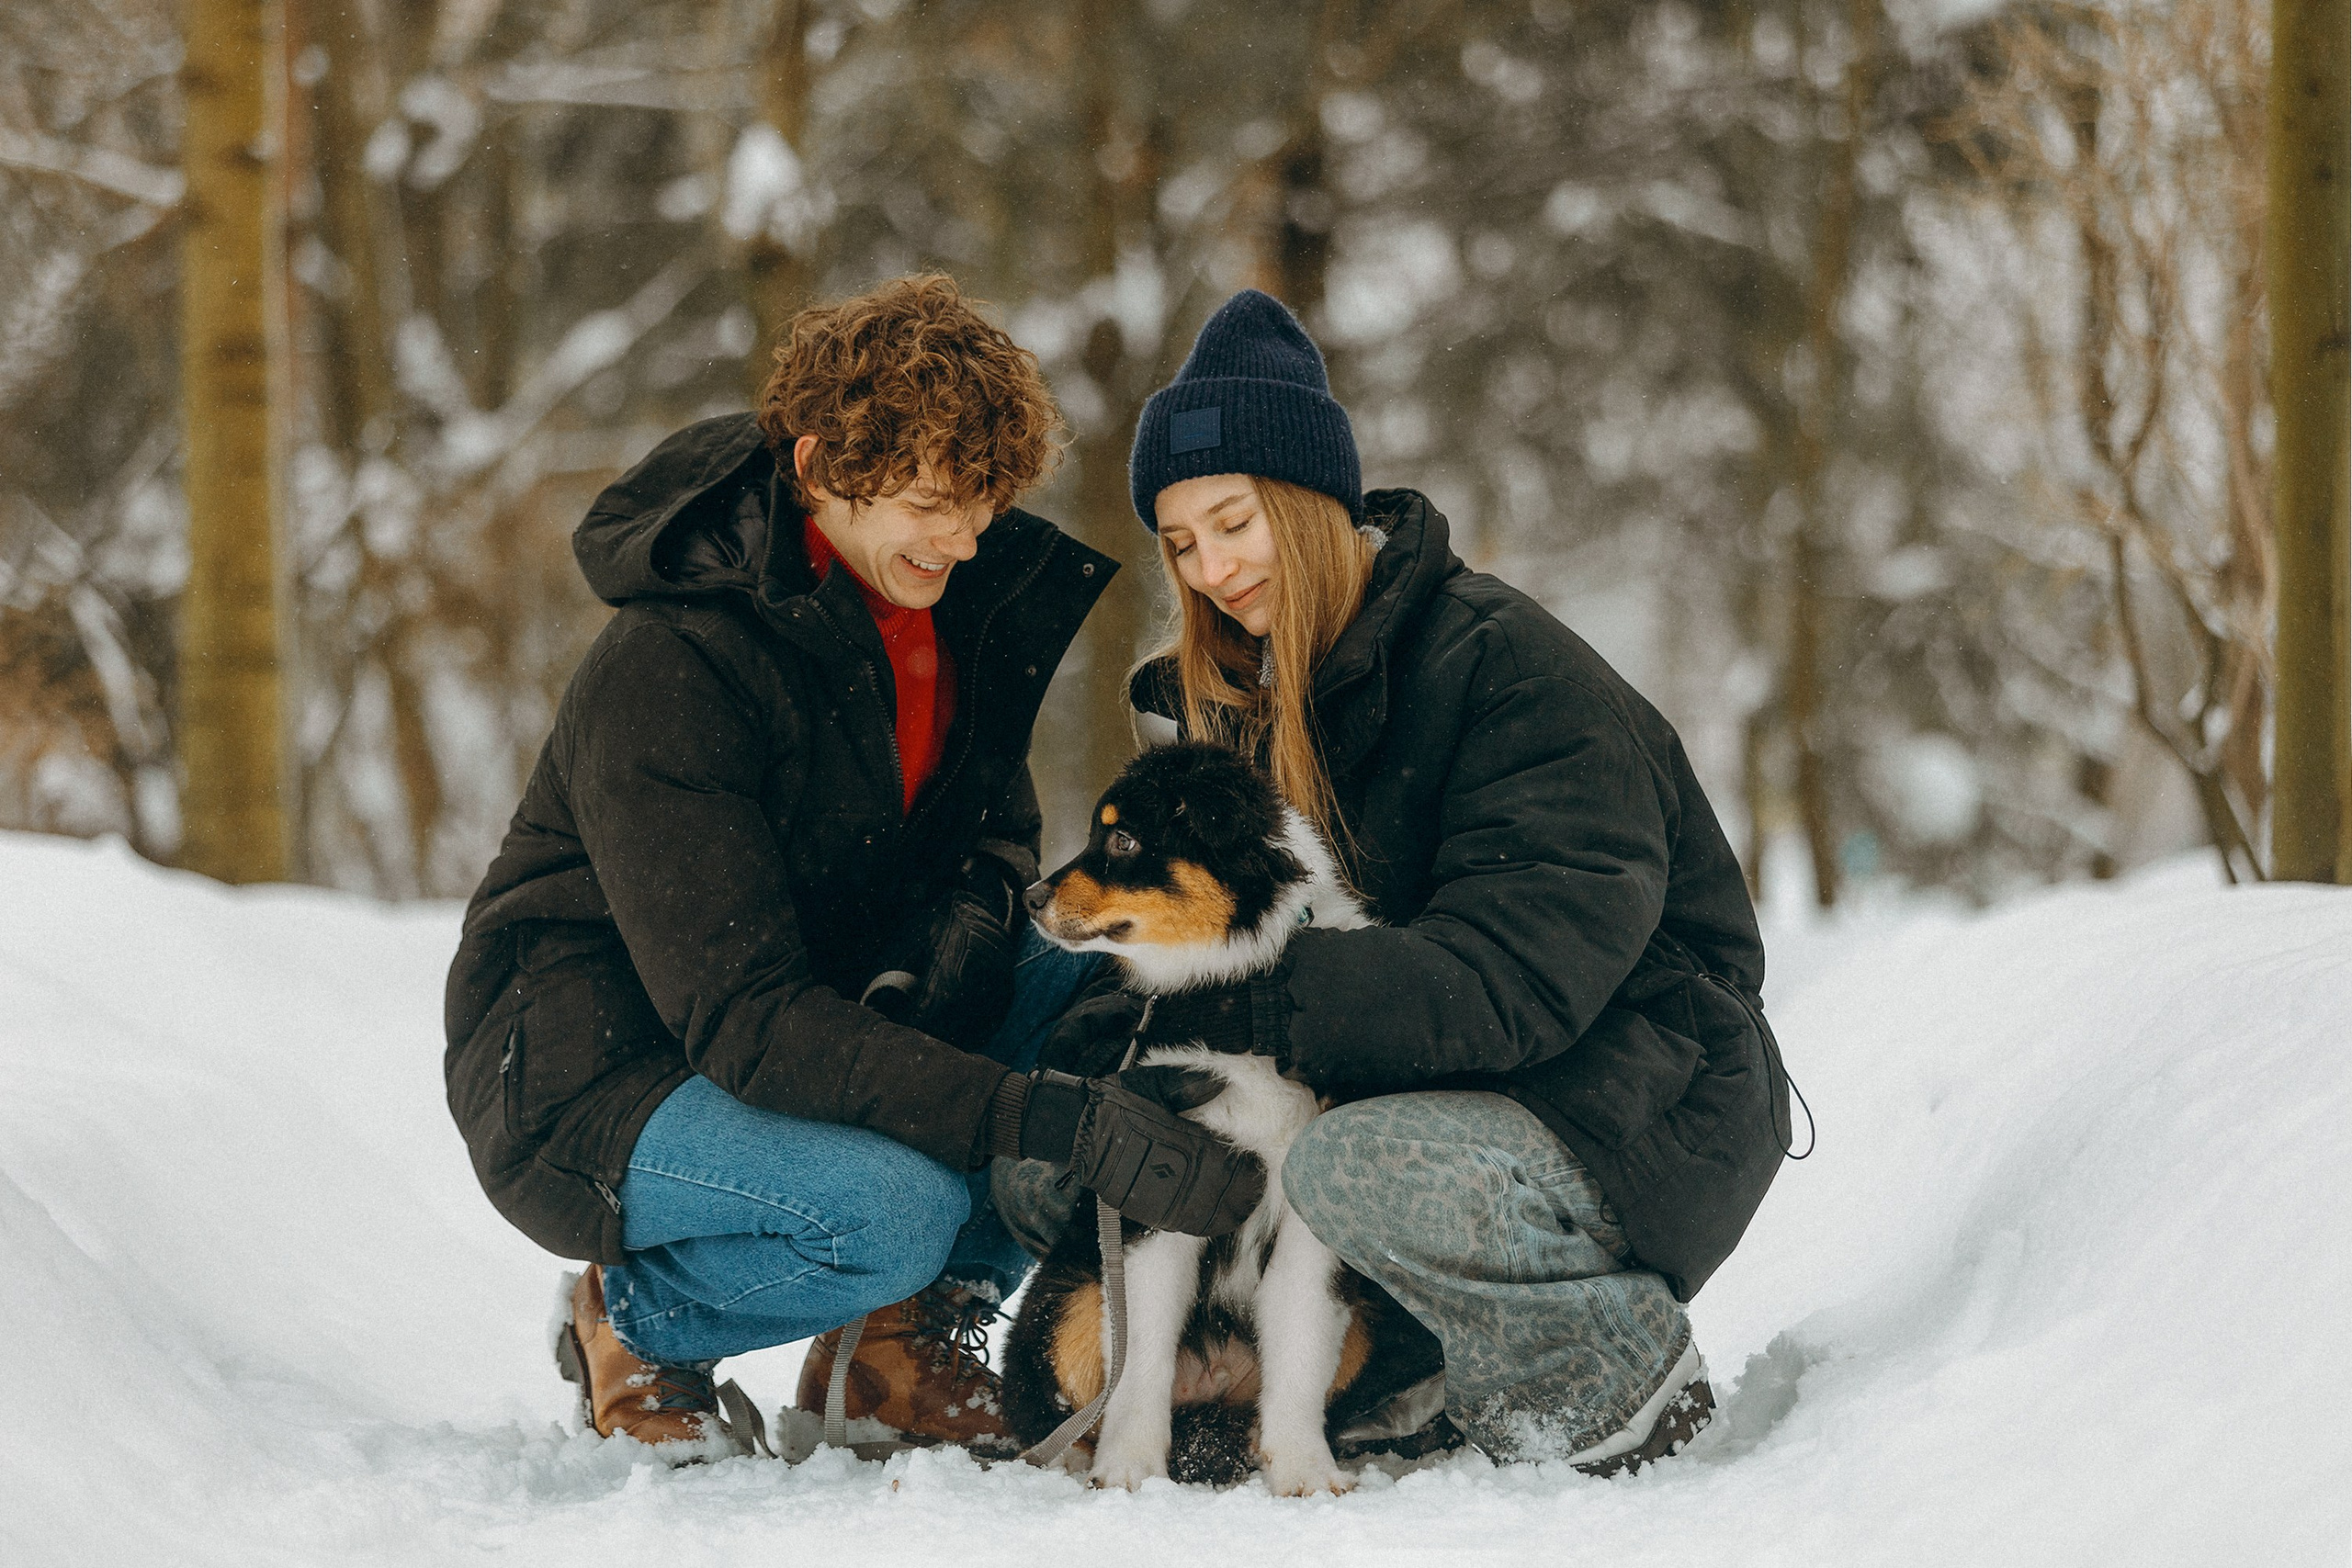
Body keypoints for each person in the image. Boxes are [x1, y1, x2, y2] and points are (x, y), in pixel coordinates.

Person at [443, 275, 1262, 1460]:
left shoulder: (955, 604)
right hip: (597, 1063)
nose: (965, 539)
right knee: (892, 1211)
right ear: (823, 466)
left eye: (982, 501)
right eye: (932, 502)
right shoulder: (669, 665)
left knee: (1117, 973)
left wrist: (971, 918)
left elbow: (996, 828)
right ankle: (635, 1318)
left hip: (816, 1005)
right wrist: (1039, 1115)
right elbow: (747, 1017)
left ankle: (898, 1345)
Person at [1046, 288, 1792, 1472]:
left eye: (1234, 522)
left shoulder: (1507, 671)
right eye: (1181, 544)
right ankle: (1410, 1371)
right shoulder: (1240, 701)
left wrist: (1253, 1008)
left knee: (1348, 1168)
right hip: (1433, 1083)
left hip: (1641, 1086)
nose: (1213, 568)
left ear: (1310, 503)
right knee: (1080, 1152)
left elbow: (1517, 976)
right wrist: (1117, 1053)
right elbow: (1210, 943)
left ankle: (1611, 1364)